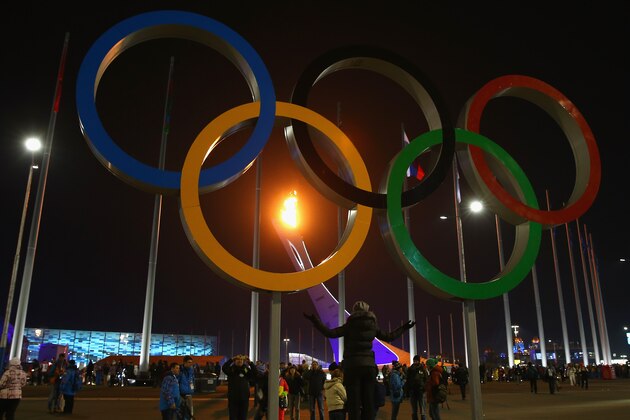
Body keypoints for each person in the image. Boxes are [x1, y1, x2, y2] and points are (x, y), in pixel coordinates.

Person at [304, 301, 414, 420]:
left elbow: (330, 333)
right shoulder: (372, 325)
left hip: (353, 367)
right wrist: (404, 328)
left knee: (354, 405)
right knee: (369, 403)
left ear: (354, 312)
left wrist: (315, 320)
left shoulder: (350, 325)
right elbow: (389, 336)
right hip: (369, 367)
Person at [222, 355, 257, 420]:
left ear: (243, 361)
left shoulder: (246, 369)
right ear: (234, 361)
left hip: (244, 398)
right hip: (233, 397)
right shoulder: (231, 369)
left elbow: (255, 373)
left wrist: (250, 363)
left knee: (243, 417)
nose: (239, 361)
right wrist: (231, 359)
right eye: (237, 359)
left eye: (241, 360)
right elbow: (224, 368)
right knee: (233, 417)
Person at [405, 355, 428, 420]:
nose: (415, 362)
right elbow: (408, 380)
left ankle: (423, 418)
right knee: (414, 408)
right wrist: (407, 390)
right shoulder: (410, 369)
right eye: (414, 361)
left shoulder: (423, 369)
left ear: (419, 361)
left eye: (416, 361)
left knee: (422, 408)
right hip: (413, 391)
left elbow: (426, 379)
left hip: (421, 390)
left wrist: (424, 388)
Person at [178, 355, 195, 419]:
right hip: (181, 394)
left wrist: (192, 388)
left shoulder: (191, 370)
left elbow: (192, 380)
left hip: (189, 393)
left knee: (190, 412)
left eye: (191, 362)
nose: (191, 364)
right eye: (189, 362)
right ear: (184, 362)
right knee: (181, 412)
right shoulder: (179, 370)